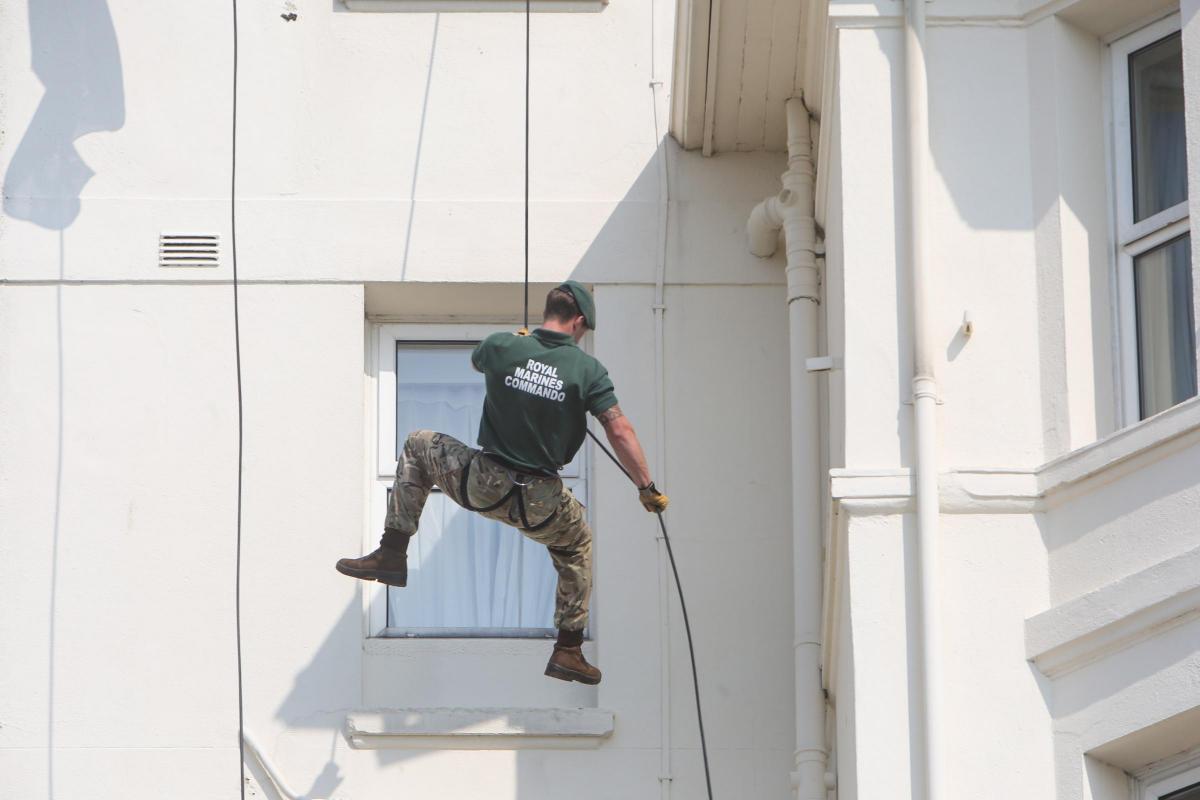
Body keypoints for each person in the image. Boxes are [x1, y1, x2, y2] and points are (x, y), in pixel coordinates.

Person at [336, 281, 668, 685]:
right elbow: (619, 429)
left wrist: (520, 345)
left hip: (481, 484)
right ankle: (567, 649)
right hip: (540, 503)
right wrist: (645, 487)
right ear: (579, 321)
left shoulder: (502, 346)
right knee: (577, 545)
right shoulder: (588, 370)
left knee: (418, 443)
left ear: (549, 311)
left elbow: (480, 361)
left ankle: (392, 554)